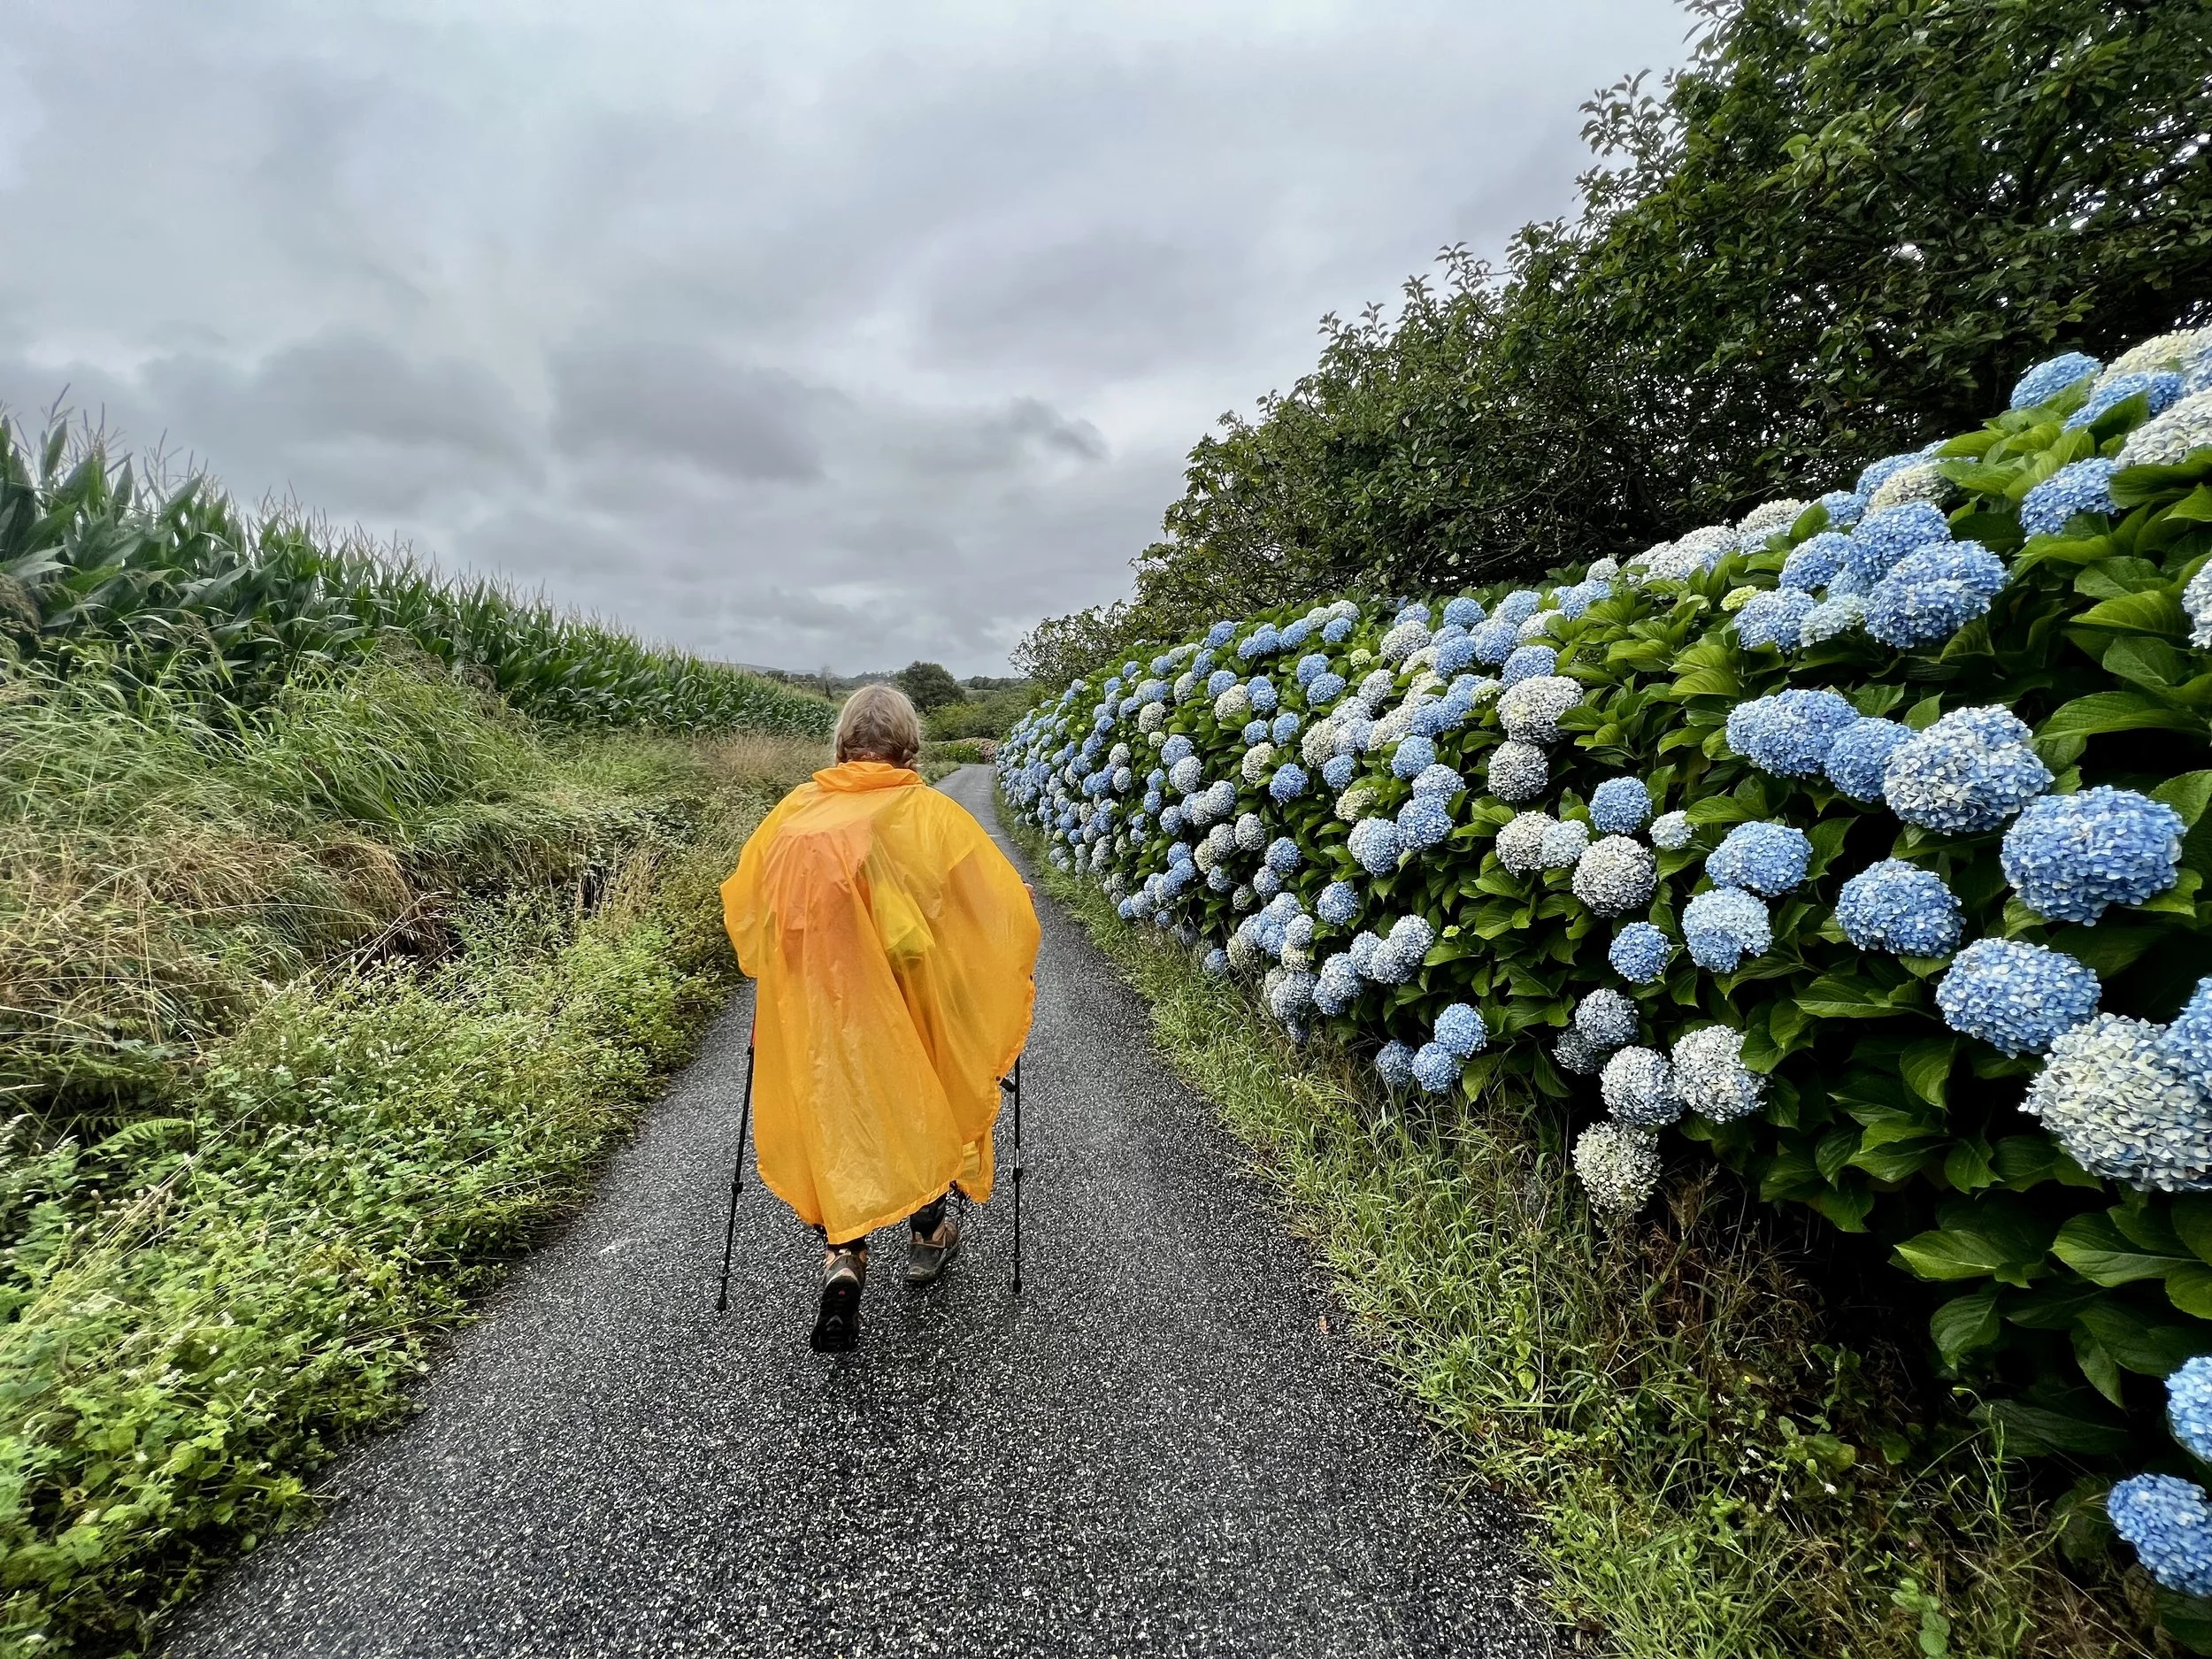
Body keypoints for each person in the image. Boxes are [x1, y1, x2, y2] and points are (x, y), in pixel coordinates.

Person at [719, 683, 1040, 1351]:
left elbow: (752, 919)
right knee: (925, 1103)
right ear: (908, 747)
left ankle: (844, 1257)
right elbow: (992, 902)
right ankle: (926, 1235)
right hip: (907, 1002)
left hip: (821, 1016)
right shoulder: (926, 812)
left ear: (843, 745)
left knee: (839, 1118)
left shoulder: (792, 815)